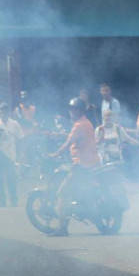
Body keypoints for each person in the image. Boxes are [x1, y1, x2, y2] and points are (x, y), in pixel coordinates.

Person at [48, 97, 100, 237]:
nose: (70, 112)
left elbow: (68, 143)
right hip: (92, 162)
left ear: (79, 110)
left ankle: (62, 227)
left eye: (72, 109)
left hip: (81, 165)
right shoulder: (86, 123)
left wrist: (55, 154)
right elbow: (74, 137)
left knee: (62, 194)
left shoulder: (79, 125)